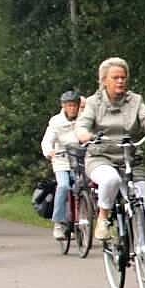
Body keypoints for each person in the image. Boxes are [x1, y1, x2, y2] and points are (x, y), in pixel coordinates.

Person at [76, 57, 145, 240]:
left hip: (130, 158)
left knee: (141, 205)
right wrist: (84, 134)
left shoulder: (135, 100)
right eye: (115, 77)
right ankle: (103, 218)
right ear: (104, 81)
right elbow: (82, 124)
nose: (120, 81)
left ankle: (141, 248)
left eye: (123, 77)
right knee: (111, 180)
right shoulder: (94, 102)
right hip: (101, 156)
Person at [41, 90, 83, 240]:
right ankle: (58, 222)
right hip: (61, 160)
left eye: (75, 105)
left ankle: (87, 219)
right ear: (63, 106)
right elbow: (47, 140)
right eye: (69, 105)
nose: (72, 108)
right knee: (64, 185)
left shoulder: (84, 118)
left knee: (85, 187)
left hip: (79, 160)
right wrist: (49, 151)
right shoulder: (56, 121)